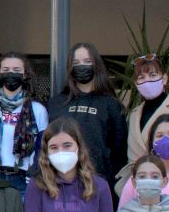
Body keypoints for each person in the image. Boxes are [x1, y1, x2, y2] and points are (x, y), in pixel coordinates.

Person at [115, 53, 169, 196]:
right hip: (138, 187)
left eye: (153, 75)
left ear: (164, 78)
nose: (147, 81)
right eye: (141, 77)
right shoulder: (134, 114)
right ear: (136, 84)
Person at [46, 42, 127, 185]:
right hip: (61, 180)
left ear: (96, 65)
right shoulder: (56, 103)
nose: (82, 66)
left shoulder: (111, 104)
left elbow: (119, 150)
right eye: (76, 63)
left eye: (87, 61)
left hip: (99, 181)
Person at [0, 53, 49, 193]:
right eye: (6, 70)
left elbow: (43, 146)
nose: (11, 73)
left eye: (16, 70)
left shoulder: (38, 110)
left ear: (25, 75)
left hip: (23, 178)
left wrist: (34, 172)